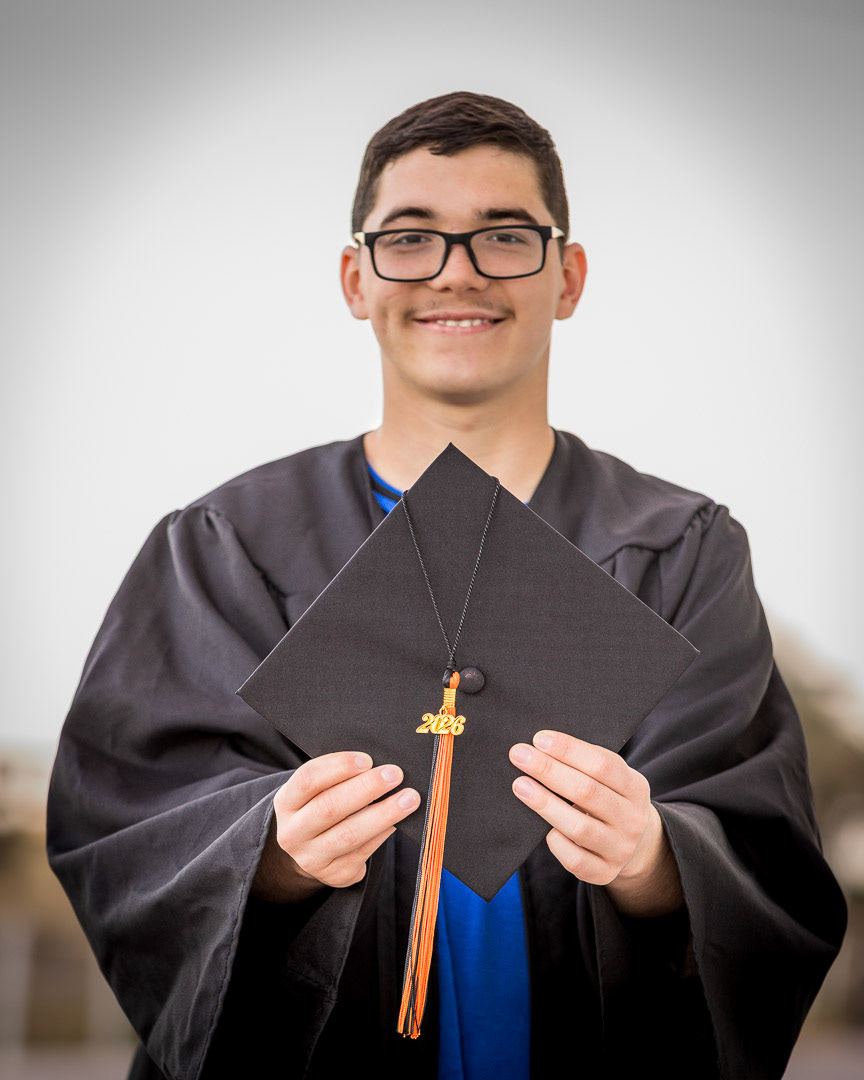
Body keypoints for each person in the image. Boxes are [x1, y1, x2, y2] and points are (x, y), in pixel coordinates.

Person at [47, 91, 847, 1080]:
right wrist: (272, 851)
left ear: (569, 275)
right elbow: (121, 823)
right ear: (355, 277)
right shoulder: (225, 550)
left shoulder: (678, 552)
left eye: (505, 237)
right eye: (412, 239)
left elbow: (760, 845)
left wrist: (654, 862)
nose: (457, 273)